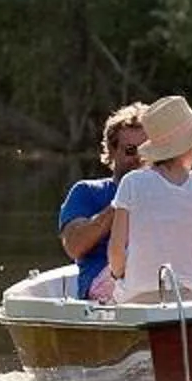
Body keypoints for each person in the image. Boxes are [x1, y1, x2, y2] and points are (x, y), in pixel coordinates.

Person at [108, 94, 192, 303]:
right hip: (190, 299)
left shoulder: (131, 183)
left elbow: (116, 255)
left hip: (138, 297)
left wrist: (119, 274)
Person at [56, 103, 148, 301]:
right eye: (131, 150)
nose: (139, 159)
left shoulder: (164, 193)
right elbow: (74, 246)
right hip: (103, 293)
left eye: (147, 151)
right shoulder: (87, 191)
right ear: (113, 151)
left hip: (155, 283)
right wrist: (122, 202)